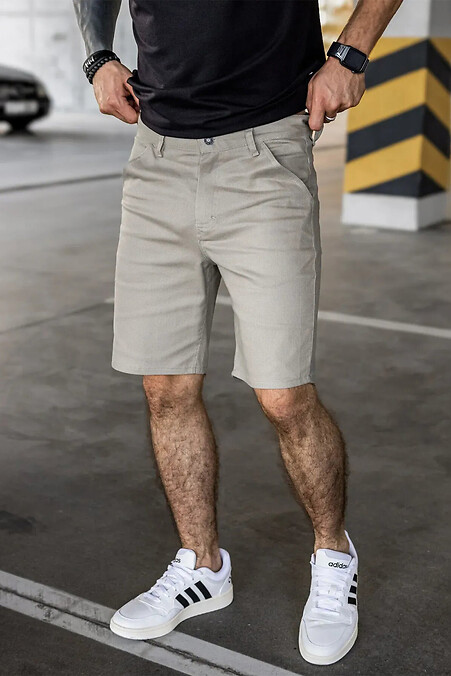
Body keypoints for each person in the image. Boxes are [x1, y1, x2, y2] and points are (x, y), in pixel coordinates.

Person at [73, 0, 402, 665]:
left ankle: (333, 555)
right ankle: (202, 566)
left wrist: (349, 54)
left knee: (283, 395)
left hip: (264, 154)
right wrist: (98, 56)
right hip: (157, 157)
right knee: (165, 388)